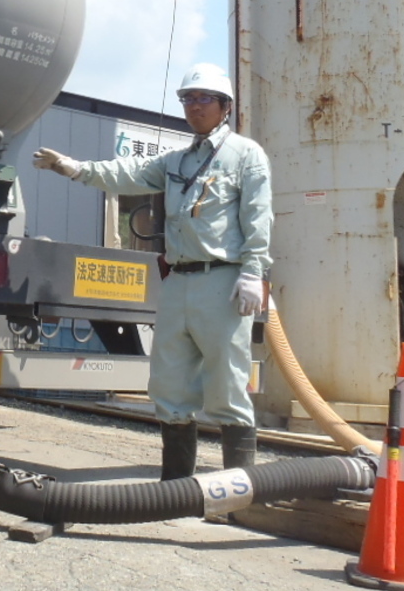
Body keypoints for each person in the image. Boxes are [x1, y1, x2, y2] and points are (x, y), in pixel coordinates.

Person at [33, 63, 272, 478]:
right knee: (169, 382)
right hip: (178, 281)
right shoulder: (175, 160)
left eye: (204, 98)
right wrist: (73, 168)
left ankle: (240, 495)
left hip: (223, 281)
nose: (194, 106)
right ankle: (175, 486)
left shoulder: (245, 155)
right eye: (188, 99)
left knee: (228, 383)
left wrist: (254, 271)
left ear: (225, 106)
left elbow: (258, 216)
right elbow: (125, 175)